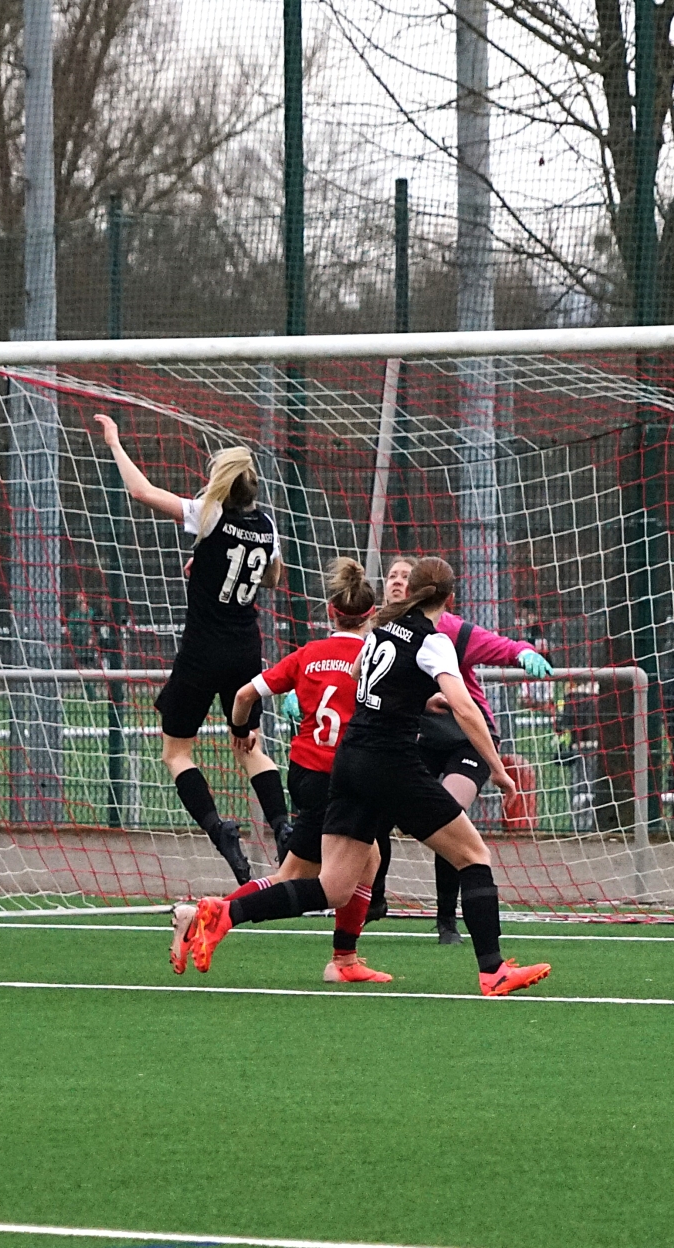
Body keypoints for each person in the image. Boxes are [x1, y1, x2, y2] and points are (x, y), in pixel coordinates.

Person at [179, 557, 552, 998]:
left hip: (350, 759)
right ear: (449, 598)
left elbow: (360, 677)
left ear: (410, 590)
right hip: (391, 763)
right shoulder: (434, 641)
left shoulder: (380, 630)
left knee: (334, 887)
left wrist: (410, 698)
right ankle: (493, 970)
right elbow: (466, 708)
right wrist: (498, 769)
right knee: (473, 855)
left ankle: (225, 914)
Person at [95, 413, 287, 885]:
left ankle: (219, 829)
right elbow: (271, 577)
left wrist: (115, 442)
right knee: (250, 747)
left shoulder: (209, 514)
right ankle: (284, 827)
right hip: (246, 652)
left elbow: (141, 491)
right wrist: (211, 566)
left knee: (177, 752)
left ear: (220, 484)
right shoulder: (266, 524)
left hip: (202, 652)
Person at [201, 556, 386, 984]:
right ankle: (218, 915)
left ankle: (344, 958)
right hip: (342, 778)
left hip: (305, 773)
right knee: (313, 880)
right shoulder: (374, 657)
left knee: (368, 858)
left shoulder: (309, 654)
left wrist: (241, 730)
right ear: (372, 614)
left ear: (330, 611)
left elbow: (244, 696)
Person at [380, 556, 554, 945]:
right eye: (392, 576)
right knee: (376, 809)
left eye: (405, 576)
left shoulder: (452, 633)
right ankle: (373, 898)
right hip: (417, 738)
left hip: (468, 738)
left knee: (448, 812)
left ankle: (447, 920)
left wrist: (525, 653)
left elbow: (502, 648)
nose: (398, 582)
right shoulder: (382, 633)